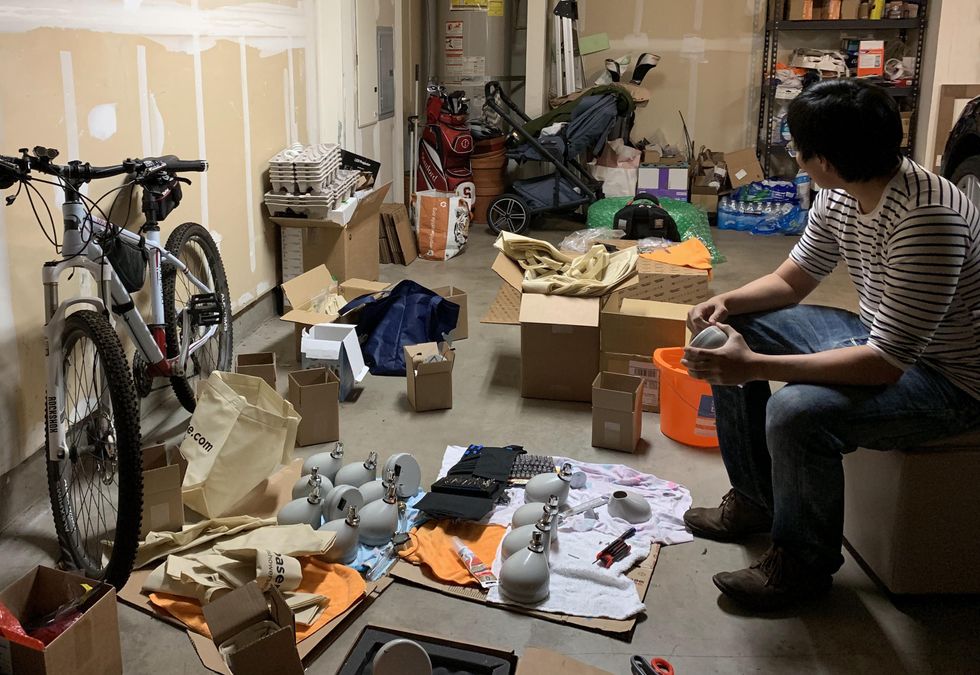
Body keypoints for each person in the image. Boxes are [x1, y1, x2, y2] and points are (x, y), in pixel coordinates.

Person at [681, 78, 980, 611]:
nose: (793, 157)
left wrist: (752, 367)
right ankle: (755, 500)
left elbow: (885, 365)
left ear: (827, 158)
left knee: (796, 412)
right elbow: (795, 278)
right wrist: (728, 304)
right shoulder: (843, 193)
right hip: (887, 336)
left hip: (949, 379)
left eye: (798, 148)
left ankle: (801, 566)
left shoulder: (927, 219)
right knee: (725, 334)